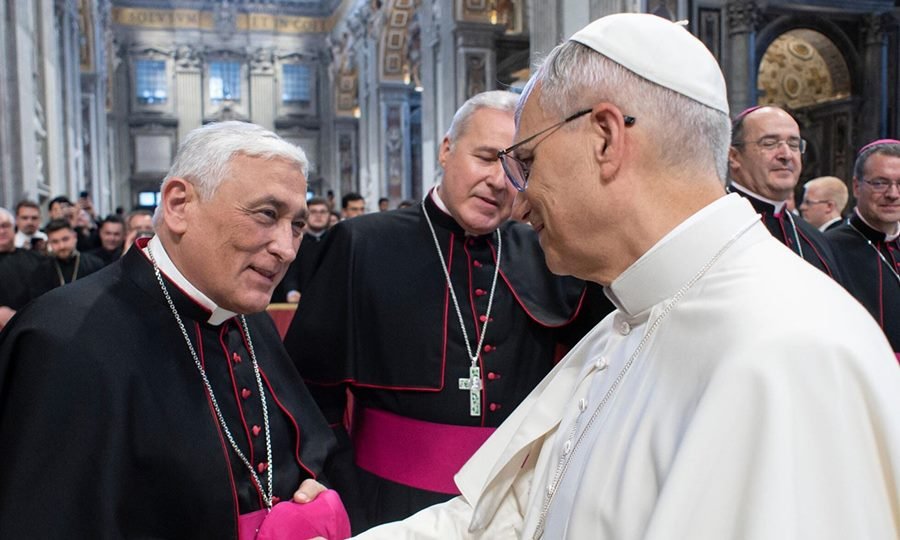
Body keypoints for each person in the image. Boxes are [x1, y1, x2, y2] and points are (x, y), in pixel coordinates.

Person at [356, 14, 900, 539]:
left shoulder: (790, 354)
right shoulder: (626, 319)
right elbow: (517, 519)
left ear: (605, 138)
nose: (516, 202)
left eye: (526, 162)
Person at [0, 121, 350, 538]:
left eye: (296, 224)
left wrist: (306, 492)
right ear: (180, 204)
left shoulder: (247, 315)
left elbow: (300, 449)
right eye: (267, 215)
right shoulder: (61, 338)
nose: (287, 248)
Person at [284, 90, 606, 533]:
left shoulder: (546, 252)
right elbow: (310, 387)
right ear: (446, 149)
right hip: (387, 499)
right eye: (487, 157)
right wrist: (336, 483)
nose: (499, 180)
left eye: (518, 168)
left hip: (513, 503)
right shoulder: (361, 243)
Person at [728, 106, 843, 281]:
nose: (786, 155)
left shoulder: (815, 239)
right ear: (734, 157)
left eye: (794, 145)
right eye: (769, 143)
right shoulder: (715, 227)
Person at [827, 139, 900, 357]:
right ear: (857, 187)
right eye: (880, 183)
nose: (893, 194)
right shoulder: (828, 248)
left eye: (899, 183)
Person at [0, 207, 55, 329]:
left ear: (14, 228)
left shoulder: (38, 260)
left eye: (5, 226)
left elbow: (48, 296)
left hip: (31, 327)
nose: (2, 231)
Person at [275, 197, 331, 303]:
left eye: (323, 212)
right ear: (305, 216)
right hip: (301, 301)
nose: (318, 215)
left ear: (329, 215)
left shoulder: (337, 242)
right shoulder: (295, 242)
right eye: (313, 211)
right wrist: (292, 291)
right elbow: (290, 271)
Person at [44, 219, 105, 285]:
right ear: (49, 243)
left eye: (65, 239)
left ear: (75, 237)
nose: (61, 246)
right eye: (55, 242)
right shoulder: (43, 270)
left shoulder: (95, 264)